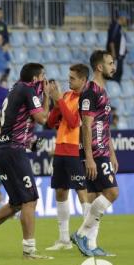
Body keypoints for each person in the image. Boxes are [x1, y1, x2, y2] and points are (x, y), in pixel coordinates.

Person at [0, 63, 52, 261]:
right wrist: (46, 96)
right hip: (13, 151)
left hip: (4, 150)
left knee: (16, 204)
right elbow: (42, 118)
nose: (44, 81)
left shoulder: (15, 89)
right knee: (30, 200)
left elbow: (19, 123)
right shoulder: (29, 89)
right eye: (43, 77)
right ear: (36, 78)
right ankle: (29, 251)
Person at [71, 51, 119, 257]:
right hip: (94, 152)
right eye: (110, 63)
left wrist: (113, 153)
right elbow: (86, 126)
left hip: (102, 150)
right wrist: (90, 157)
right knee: (112, 193)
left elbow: (105, 126)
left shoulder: (103, 92)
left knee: (94, 196)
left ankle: (91, 244)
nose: (113, 67)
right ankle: (81, 234)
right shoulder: (90, 92)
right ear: (99, 67)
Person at [45, 64, 91, 251]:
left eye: (72, 78)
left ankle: (88, 236)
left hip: (74, 150)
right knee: (61, 192)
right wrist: (55, 101)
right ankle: (64, 239)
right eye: (69, 77)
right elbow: (50, 122)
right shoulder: (65, 96)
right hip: (60, 150)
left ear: (82, 80)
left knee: (81, 191)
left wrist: (60, 102)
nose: (69, 80)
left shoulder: (85, 100)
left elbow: (73, 122)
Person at [106, 12, 127, 83]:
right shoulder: (115, 26)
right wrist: (113, 52)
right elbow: (111, 40)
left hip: (120, 54)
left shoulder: (119, 26)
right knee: (116, 72)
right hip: (116, 54)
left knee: (119, 72)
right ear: (122, 18)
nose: (126, 20)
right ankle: (114, 86)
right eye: (125, 18)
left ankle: (117, 85)